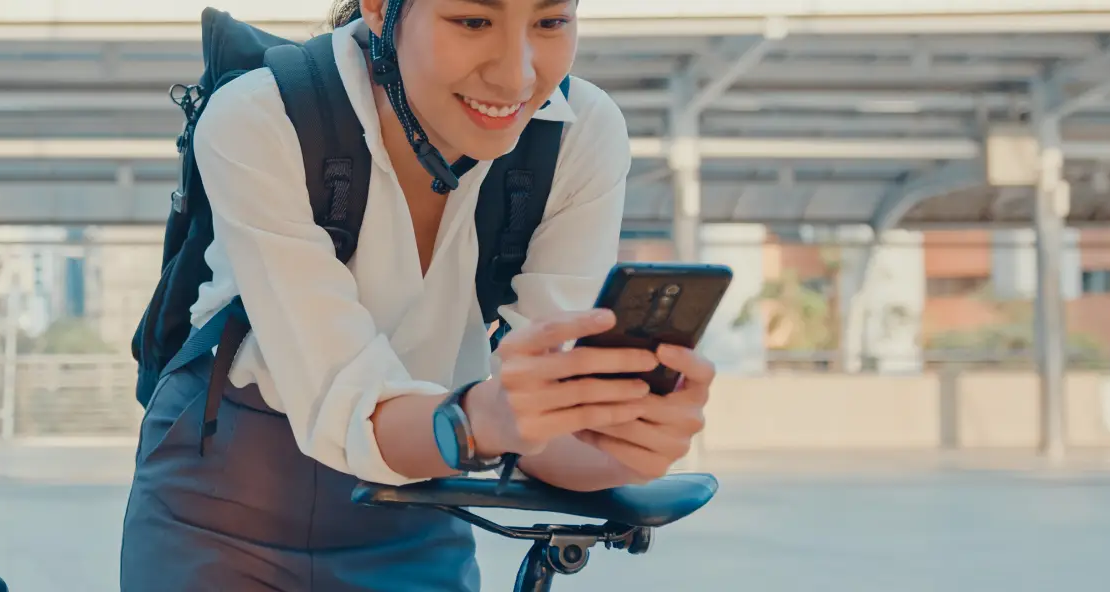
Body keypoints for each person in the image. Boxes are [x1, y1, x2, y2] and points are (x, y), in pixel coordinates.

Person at [119, 0, 717, 590]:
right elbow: (352, 402)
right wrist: (483, 420)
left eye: (551, 21)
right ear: (380, 9)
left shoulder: (579, 133)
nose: (517, 74)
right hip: (222, 503)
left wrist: (622, 444)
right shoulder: (258, 116)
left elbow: (534, 431)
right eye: (474, 21)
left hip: (417, 495)